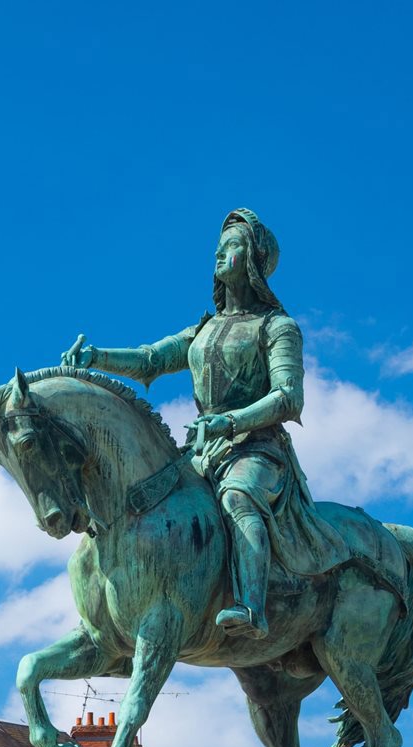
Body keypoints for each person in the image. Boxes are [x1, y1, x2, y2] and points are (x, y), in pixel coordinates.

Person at [63, 209, 342, 636]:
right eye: (220, 243)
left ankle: (252, 606)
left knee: (237, 497)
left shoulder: (277, 327)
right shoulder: (204, 329)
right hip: (202, 451)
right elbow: (150, 359)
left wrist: (230, 422)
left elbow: (288, 396)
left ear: (252, 260)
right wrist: (96, 357)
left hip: (257, 449)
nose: (219, 251)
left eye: (232, 245)